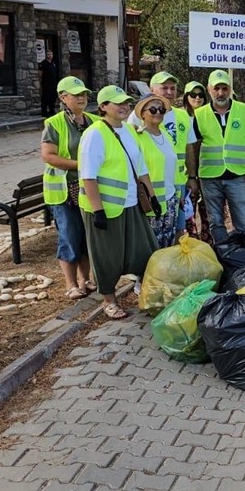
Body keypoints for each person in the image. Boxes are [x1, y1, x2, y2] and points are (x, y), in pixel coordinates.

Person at [78, 86, 160, 319]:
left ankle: (145, 292)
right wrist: (98, 211)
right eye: (117, 103)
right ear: (103, 107)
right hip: (105, 208)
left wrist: (153, 197)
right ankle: (109, 300)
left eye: (126, 102)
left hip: (131, 204)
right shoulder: (94, 134)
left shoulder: (130, 131)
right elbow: (88, 176)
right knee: (107, 257)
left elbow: (141, 169)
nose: (124, 106)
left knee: (144, 252)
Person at [40, 76, 99, 301]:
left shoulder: (94, 121)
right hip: (64, 190)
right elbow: (48, 156)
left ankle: (85, 279)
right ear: (63, 98)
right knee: (69, 235)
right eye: (76, 95)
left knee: (86, 235)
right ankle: (70, 283)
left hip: (89, 188)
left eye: (84, 94)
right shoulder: (54, 123)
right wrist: (82, 165)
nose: (82, 98)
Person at [190, 70, 245, 244]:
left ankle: (244, 259)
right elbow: (193, 148)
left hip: (237, 177)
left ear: (230, 89)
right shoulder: (199, 115)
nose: (220, 93)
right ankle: (225, 256)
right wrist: (193, 176)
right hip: (209, 177)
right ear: (209, 89)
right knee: (216, 223)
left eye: (224, 88)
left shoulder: (243, 110)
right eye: (217, 88)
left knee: (243, 223)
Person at [128, 72, 199, 226]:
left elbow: (189, 148)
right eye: (164, 88)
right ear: (152, 90)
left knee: (178, 228)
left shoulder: (183, 116)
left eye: (173, 88)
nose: (169, 92)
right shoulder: (137, 115)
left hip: (178, 182)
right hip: (150, 185)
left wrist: (192, 177)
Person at [132, 94, 181, 248]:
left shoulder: (166, 134)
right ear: (142, 114)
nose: (158, 112)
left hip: (171, 199)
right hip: (151, 201)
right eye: (153, 109)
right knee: (152, 245)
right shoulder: (137, 137)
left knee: (169, 242)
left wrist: (178, 195)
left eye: (161, 109)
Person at [181, 81, 211, 242]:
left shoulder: (209, 116)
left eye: (201, 95)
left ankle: (208, 244)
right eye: (193, 94)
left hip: (208, 171)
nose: (197, 98)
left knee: (208, 213)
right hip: (188, 174)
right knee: (189, 213)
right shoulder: (182, 117)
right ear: (186, 97)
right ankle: (190, 244)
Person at [39, 50, 59, 116]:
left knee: (52, 98)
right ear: (46, 55)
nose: (49, 56)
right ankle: (44, 112)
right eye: (48, 54)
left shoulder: (53, 63)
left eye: (50, 54)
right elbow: (40, 74)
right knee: (45, 98)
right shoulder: (43, 63)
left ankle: (52, 111)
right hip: (46, 84)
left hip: (53, 84)